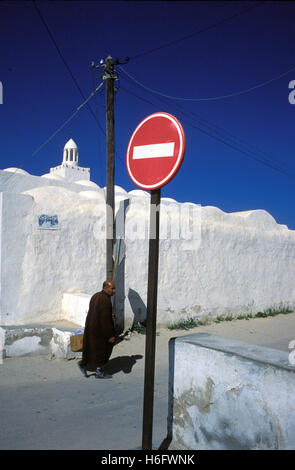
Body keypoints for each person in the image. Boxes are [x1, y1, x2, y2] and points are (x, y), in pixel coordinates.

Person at [78, 280, 116, 379]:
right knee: (102, 350)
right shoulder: (105, 300)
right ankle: (99, 371)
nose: (114, 291)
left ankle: (83, 364)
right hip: (100, 331)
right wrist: (110, 335)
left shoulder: (95, 296)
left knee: (90, 349)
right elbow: (105, 319)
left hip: (91, 329)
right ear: (106, 288)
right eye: (112, 288)